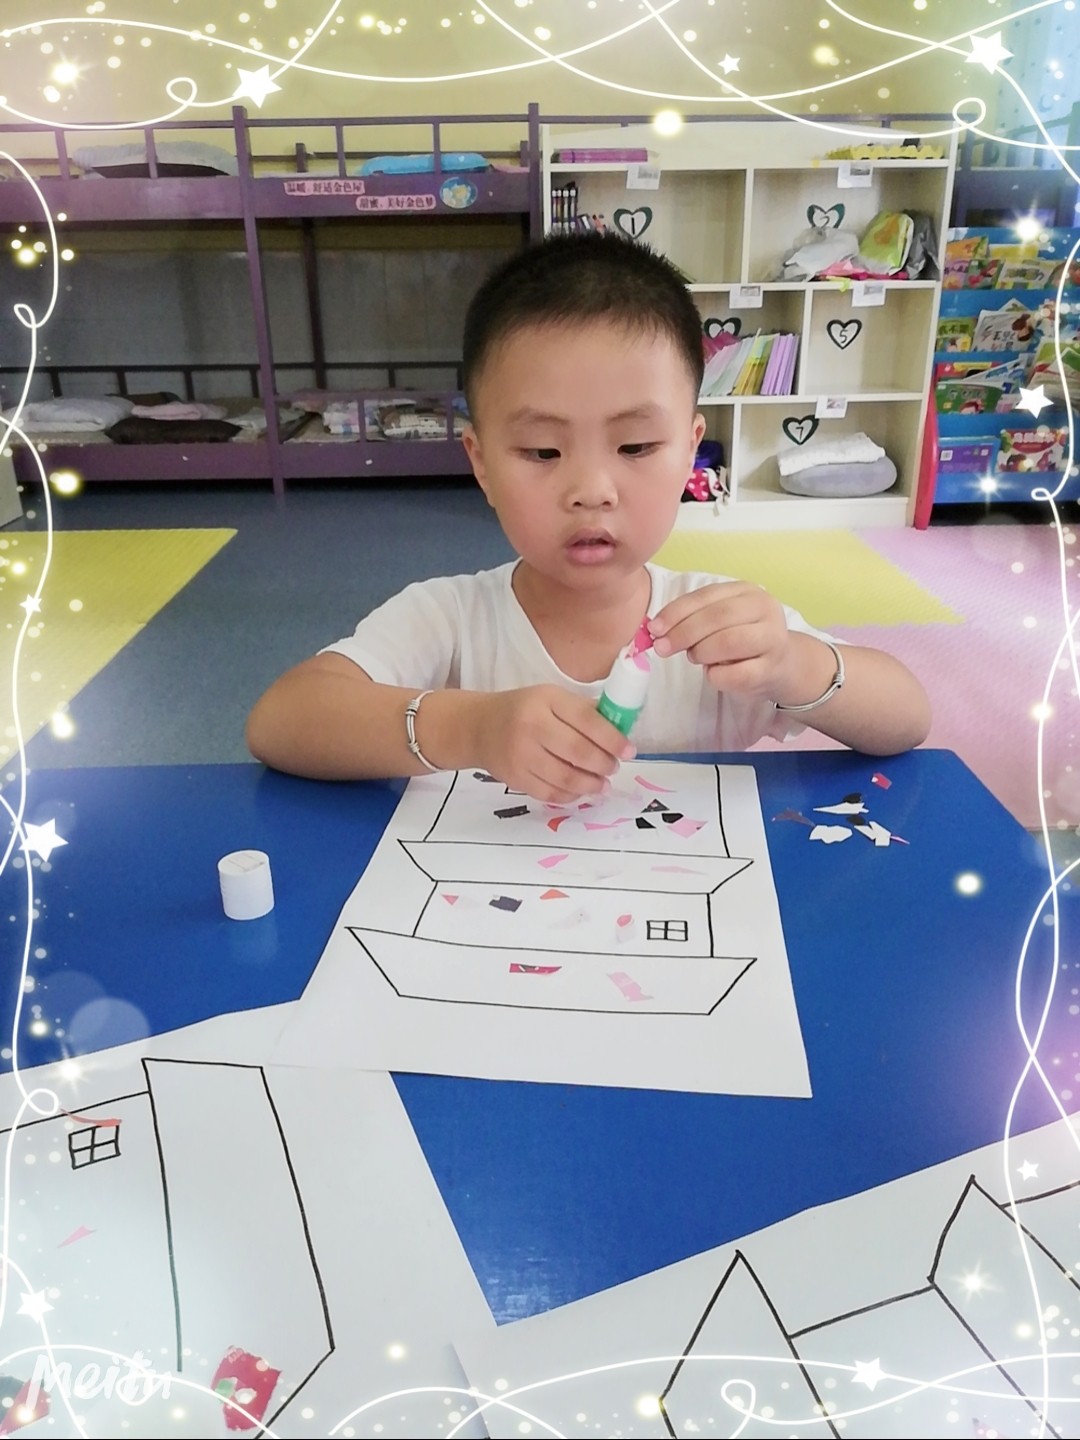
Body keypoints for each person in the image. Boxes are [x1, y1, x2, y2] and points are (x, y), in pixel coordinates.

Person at [247, 232, 930, 802]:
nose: (592, 490)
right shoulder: (448, 620)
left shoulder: (720, 628)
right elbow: (282, 721)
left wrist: (792, 664)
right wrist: (472, 728)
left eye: (636, 447)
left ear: (689, 451)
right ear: (481, 464)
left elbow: (907, 718)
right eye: (542, 451)